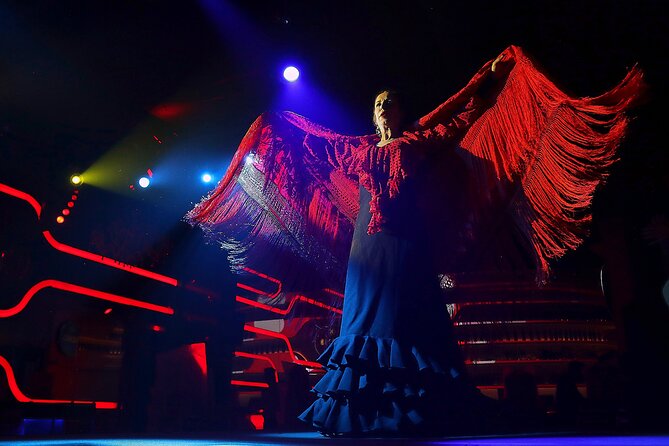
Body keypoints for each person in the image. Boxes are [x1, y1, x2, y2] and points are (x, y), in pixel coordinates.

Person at [186, 46, 643, 436]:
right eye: (379, 103)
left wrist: (486, 79)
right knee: (363, 319)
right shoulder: (358, 150)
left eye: (392, 103)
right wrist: (278, 123)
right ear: (373, 113)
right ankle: (359, 414)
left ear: (401, 112)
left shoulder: (420, 140)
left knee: (408, 315)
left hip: (406, 245)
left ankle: (423, 407)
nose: (385, 108)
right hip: (366, 251)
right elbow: (315, 146)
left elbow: (456, 114)